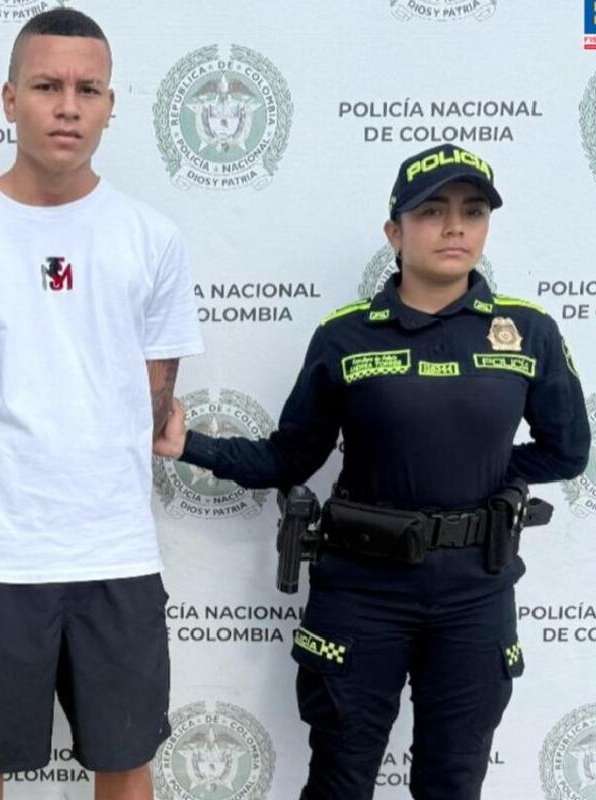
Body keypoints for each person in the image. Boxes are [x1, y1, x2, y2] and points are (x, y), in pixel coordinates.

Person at [157, 143, 590, 800]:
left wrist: (480, 482)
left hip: (475, 594)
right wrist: (190, 444)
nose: (454, 227)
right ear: (395, 231)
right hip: (361, 590)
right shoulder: (346, 337)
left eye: (473, 211)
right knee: (340, 781)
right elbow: (289, 458)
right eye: (432, 211)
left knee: (453, 783)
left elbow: (566, 451)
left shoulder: (526, 332)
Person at [0, 9, 203, 800]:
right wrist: (0, 472)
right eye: (46, 86)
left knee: (126, 761)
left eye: (87, 89)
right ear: (9, 99)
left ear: (110, 105)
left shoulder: (152, 238)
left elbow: (154, 395)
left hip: (116, 554)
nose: (68, 106)